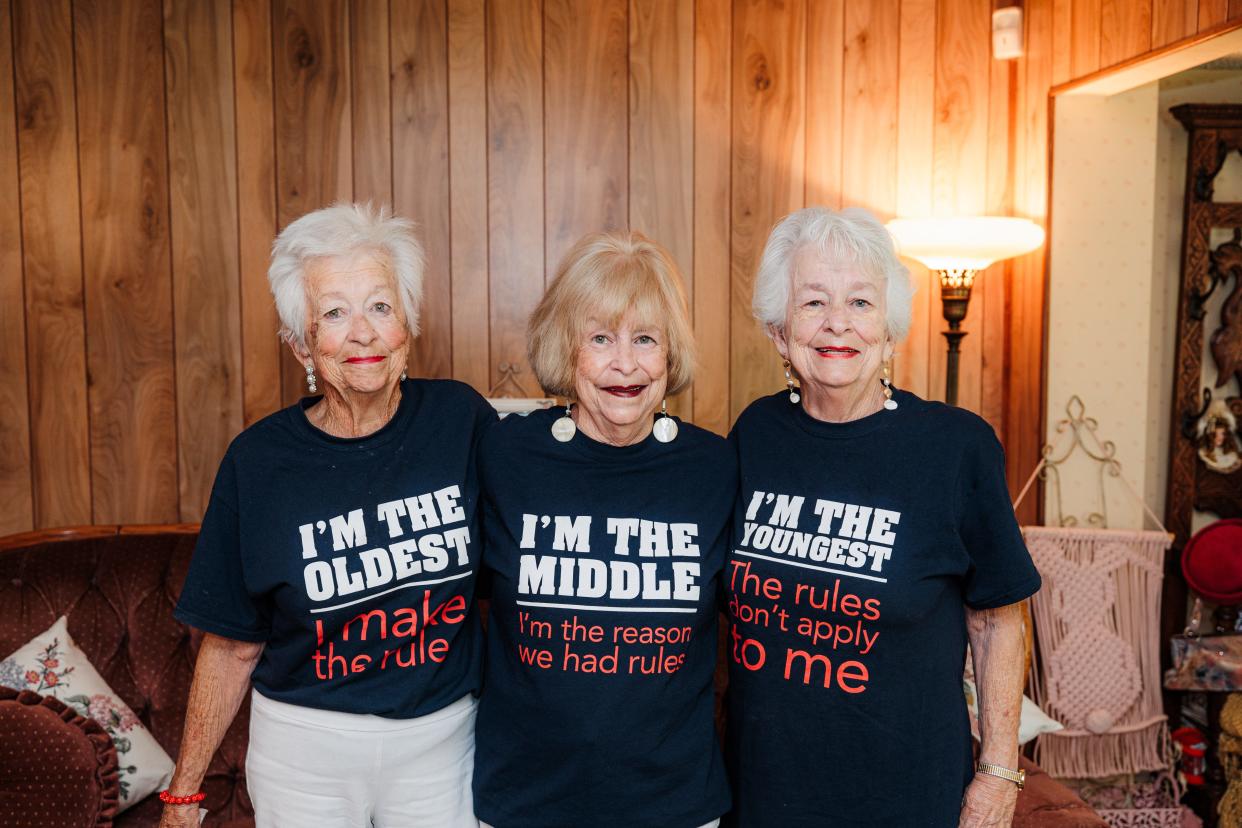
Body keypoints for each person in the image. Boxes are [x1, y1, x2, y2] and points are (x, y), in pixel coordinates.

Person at [160, 204, 496, 828]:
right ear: (301, 344)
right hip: (302, 750)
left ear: (408, 324)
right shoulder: (258, 462)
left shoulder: (460, 422)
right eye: (334, 313)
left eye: (380, 306)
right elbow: (232, 645)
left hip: (442, 742)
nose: (363, 333)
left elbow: (546, 498)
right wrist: (183, 793)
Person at [724, 207, 1041, 827]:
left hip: (906, 791)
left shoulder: (955, 448)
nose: (837, 323)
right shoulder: (754, 434)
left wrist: (999, 772)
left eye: (861, 303)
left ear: (890, 328)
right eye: (812, 302)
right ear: (779, 331)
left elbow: (999, 618)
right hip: (765, 787)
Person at [472, 231, 734, 828]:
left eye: (645, 339)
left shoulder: (716, 468)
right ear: (567, 352)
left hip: (675, 808)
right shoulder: (504, 457)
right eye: (600, 338)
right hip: (524, 805)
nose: (625, 363)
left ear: (671, 354)